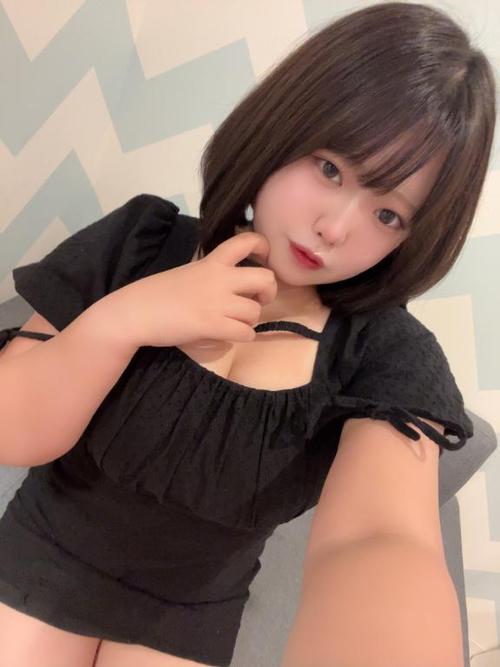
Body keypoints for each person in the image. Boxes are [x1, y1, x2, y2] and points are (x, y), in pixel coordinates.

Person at [0, 2, 496, 666]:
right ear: (283, 127)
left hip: (188, 613)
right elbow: (12, 430)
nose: (335, 228)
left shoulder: (383, 355)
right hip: (45, 551)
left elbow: (383, 537)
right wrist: (125, 318)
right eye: (330, 168)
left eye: (388, 215)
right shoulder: (142, 243)